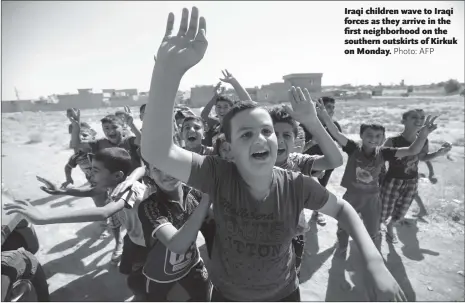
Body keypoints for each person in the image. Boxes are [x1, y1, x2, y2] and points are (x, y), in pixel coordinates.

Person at [141, 8, 405, 301]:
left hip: (284, 293)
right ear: (227, 147)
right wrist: (167, 71)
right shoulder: (217, 174)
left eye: (267, 130)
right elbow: (156, 150)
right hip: (230, 295)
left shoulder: (295, 183)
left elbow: (343, 209)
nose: (263, 138)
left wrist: (375, 263)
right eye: (246, 134)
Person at [4, 148, 150, 300]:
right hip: (133, 237)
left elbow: (104, 212)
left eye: (96, 170)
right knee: (127, 267)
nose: (90, 173)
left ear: (117, 175)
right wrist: (62, 191)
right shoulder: (115, 182)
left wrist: (43, 218)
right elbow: (93, 191)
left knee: (139, 278)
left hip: (145, 242)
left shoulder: (127, 190)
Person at [319, 105, 439, 257]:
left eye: (378, 136)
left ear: (383, 138)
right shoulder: (353, 148)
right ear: (361, 135)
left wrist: (422, 135)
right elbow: (335, 133)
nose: (373, 139)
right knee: (344, 224)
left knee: (373, 228)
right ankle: (342, 245)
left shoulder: (384, 153)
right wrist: (325, 117)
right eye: (369, 135)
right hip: (352, 197)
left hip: (372, 199)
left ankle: (371, 254)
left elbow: (411, 151)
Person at [269, 105, 343, 274]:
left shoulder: (297, 161)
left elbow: (335, 161)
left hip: (293, 235)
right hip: (259, 236)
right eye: (272, 133)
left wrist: (313, 123)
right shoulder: (253, 161)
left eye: (286, 135)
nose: (279, 140)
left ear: (295, 139)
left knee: (291, 275)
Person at [138, 164, 211, 301]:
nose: (166, 173)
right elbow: (177, 245)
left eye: (169, 163)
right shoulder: (150, 206)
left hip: (192, 263)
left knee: (204, 298)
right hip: (158, 275)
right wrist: (208, 198)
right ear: (149, 173)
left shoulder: (194, 193)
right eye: (157, 168)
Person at [381, 109, 452, 243]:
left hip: (412, 181)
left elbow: (423, 157)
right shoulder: (393, 141)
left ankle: (390, 227)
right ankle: (374, 232)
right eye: (414, 117)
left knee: (401, 212)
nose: (419, 120)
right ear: (403, 121)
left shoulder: (423, 140)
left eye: (422, 117)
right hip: (392, 181)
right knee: (384, 211)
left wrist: (438, 153)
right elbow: (379, 160)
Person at [301, 96, 342, 226]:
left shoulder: (334, 125)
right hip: (307, 164)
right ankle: (298, 214)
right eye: (327, 107)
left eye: (333, 107)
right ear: (317, 108)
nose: (331, 110)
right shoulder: (305, 125)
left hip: (327, 164)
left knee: (321, 188)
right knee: (300, 189)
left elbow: (340, 144)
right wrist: (312, 142)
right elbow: (296, 150)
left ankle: (316, 212)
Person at [201, 70, 251, 147]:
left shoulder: (236, 124)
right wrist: (215, 97)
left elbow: (249, 104)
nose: (222, 110)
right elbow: (204, 115)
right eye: (219, 107)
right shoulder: (216, 124)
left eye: (226, 107)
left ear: (231, 108)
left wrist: (234, 82)